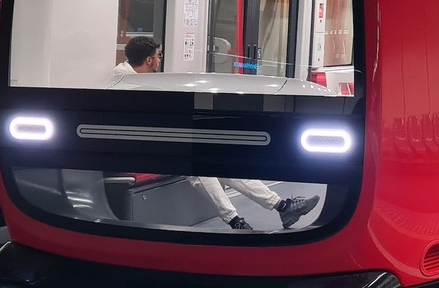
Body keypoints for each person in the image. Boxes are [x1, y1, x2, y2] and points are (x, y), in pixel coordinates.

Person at [114, 36, 320, 231]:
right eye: (159, 56)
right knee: (198, 168)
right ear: (149, 60)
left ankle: (282, 207)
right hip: (141, 145)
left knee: (223, 164)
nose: (160, 61)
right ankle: (234, 219)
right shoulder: (127, 84)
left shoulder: (136, 80)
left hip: (163, 139)